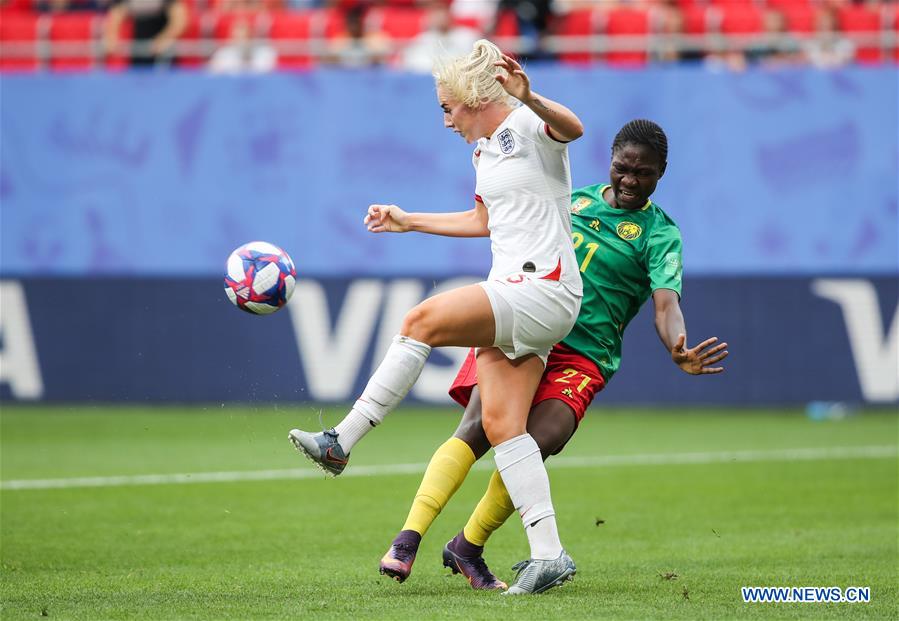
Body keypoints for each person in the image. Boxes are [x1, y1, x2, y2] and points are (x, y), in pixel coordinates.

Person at [378, 119, 729, 591]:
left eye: (642, 173)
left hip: (585, 355)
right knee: (479, 428)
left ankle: (467, 545)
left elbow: (666, 305)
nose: (628, 180)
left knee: (542, 440)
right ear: (610, 161)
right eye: (622, 168)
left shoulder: (660, 234)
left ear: (661, 173)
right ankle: (408, 538)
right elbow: (504, 229)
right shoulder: (572, 199)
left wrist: (677, 346)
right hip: (528, 323)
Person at [289, 39, 585, 595]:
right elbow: (483, 221)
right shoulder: (483, 152)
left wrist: (531, 96)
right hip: (518, 290)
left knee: (421, 319)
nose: (445, 120)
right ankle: (550, 553)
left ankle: (342, 440)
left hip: (541, 287)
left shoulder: (527, 125)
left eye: (447, 108)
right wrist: (408, 220)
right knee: (502, 427)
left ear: (474, 99)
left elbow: (573, 128)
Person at [103, 0, 187, 67]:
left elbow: (179, 20)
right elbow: (116, 16)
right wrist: (112, 37)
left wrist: (165, 38)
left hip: (163, 53)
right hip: (139, 48)